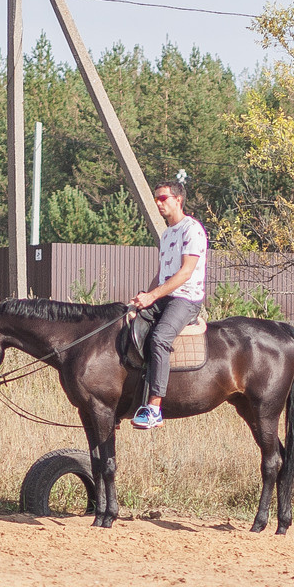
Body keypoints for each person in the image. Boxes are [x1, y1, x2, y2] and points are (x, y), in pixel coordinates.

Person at [127, 181, 207, 430]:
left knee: (160, 338)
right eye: (156, 199)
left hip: (186, 298)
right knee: (127, 320)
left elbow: (185, 273)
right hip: (166, 295)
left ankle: (154, 408)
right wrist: (145, 296)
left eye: (163, 198)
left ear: (178, 200)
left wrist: (153, 297)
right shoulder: (167, 233)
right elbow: (162, 274)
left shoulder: (191, 229)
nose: (158, 203)